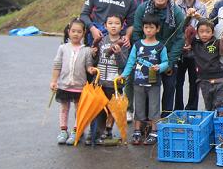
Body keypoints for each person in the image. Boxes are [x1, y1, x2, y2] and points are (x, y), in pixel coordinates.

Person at [132, 0, 185, 116]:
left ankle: (165, 119)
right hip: (146, 59)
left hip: (168, 58)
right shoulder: (142, 9)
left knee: (169, 89)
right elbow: (137, 34)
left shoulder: (177, 12)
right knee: (146, 91)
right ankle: (146, 123)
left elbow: (180, 39)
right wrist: (143, 57)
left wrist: (170, 62)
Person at [121, 13, 169, 145]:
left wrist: (159, 67)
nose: (148, 30)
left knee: (154, 108)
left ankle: (154, 132)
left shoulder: (160, 46)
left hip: (154, 84)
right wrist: (124, 75)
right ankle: (137, 131)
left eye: (151, 27)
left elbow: (166, 62)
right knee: (139, 107)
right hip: (138, 82)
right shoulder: (137, 45)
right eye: (146, 27)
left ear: (157, 29)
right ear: (142, 28)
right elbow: (131, 62)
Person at [50, 18, 95, 145]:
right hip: (64, 85)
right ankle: (63, 131)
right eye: (73, 31)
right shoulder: (63, 48)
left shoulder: (86, 50)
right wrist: (54, 80)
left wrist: (91, 69)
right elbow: (57, 64)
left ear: (84, 33)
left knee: (79, 109)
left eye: (79, 32)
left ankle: (77, 130)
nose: (76, 34)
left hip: (79, 86)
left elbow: (88, 65)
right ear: (68, 32)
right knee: (64, 108)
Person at [90, 14, 130, 143]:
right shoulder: (101, 40)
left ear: (122, 25)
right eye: (110, 23)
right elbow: (94, 61)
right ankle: (97, 131)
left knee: (112, 108)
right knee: (99, 108)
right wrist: (94, 54)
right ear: (105, 25)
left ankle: (108, 130)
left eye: (117, 23)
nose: (113, 26)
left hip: (114, 82)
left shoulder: (124, 43)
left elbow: (124, 64)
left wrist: (118, 54)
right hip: (100, 80)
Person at [175, 0, 207, 111]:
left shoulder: (201, 7)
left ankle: (192, 109)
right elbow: (176, 26)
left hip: (195, 51)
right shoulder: (176, 5)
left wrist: (193, 42)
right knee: (178, 82)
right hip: (180, 51)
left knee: (194, 81)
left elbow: (205, 28)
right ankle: (178, 108)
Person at [192, 19, 223, 111]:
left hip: (219, 79)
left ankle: (219, 123)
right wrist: (189, 18)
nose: (204, 34)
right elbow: (185, 30)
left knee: (219, 105)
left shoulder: (217, 43)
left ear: (213, 32)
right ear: (197, 33)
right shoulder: (195, 44)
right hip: (204, 80)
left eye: (208, 32)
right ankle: (210, 124)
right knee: (208, 105)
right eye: (201, 32)